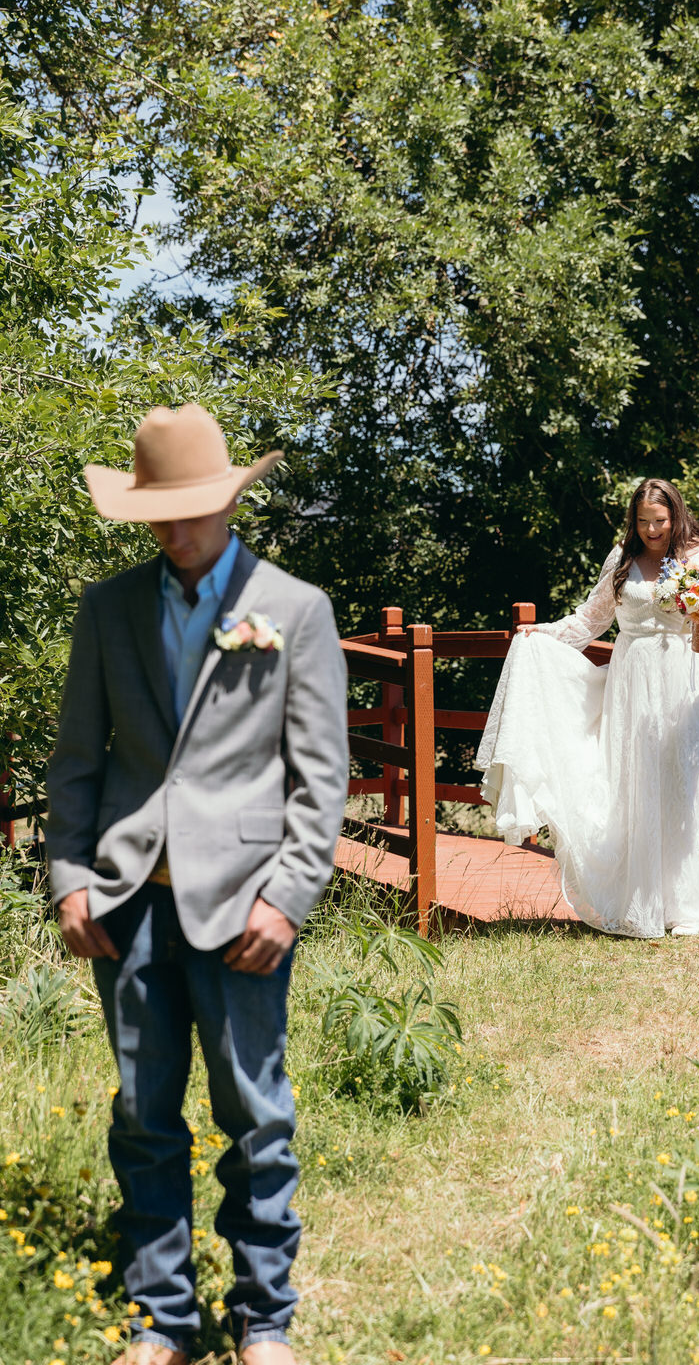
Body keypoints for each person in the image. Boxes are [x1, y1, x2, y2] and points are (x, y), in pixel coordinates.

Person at [45, 404, 349, 1365]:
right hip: (126, 901)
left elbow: (321, 777)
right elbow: (77, 764)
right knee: (142, 1111)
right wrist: (66, 878)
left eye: (190, 510)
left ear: (227, 499)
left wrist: (287, 898)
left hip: (246, 904)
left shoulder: (294, 609)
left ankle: (264, 1315)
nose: (174, 531)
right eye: (157, 513)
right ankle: (162, 1316)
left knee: (254, 1111)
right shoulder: (109, 609)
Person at [476, 478, 699, 938]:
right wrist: (541, 633)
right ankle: (634, 901)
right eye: (643, 521)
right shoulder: (621, 559)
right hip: (632, 682)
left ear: (676, 516)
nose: (651, 530)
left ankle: (679, 906)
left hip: (686, 685)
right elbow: (592, 618)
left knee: (680, 787)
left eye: (660, 521)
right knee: (631, 783)